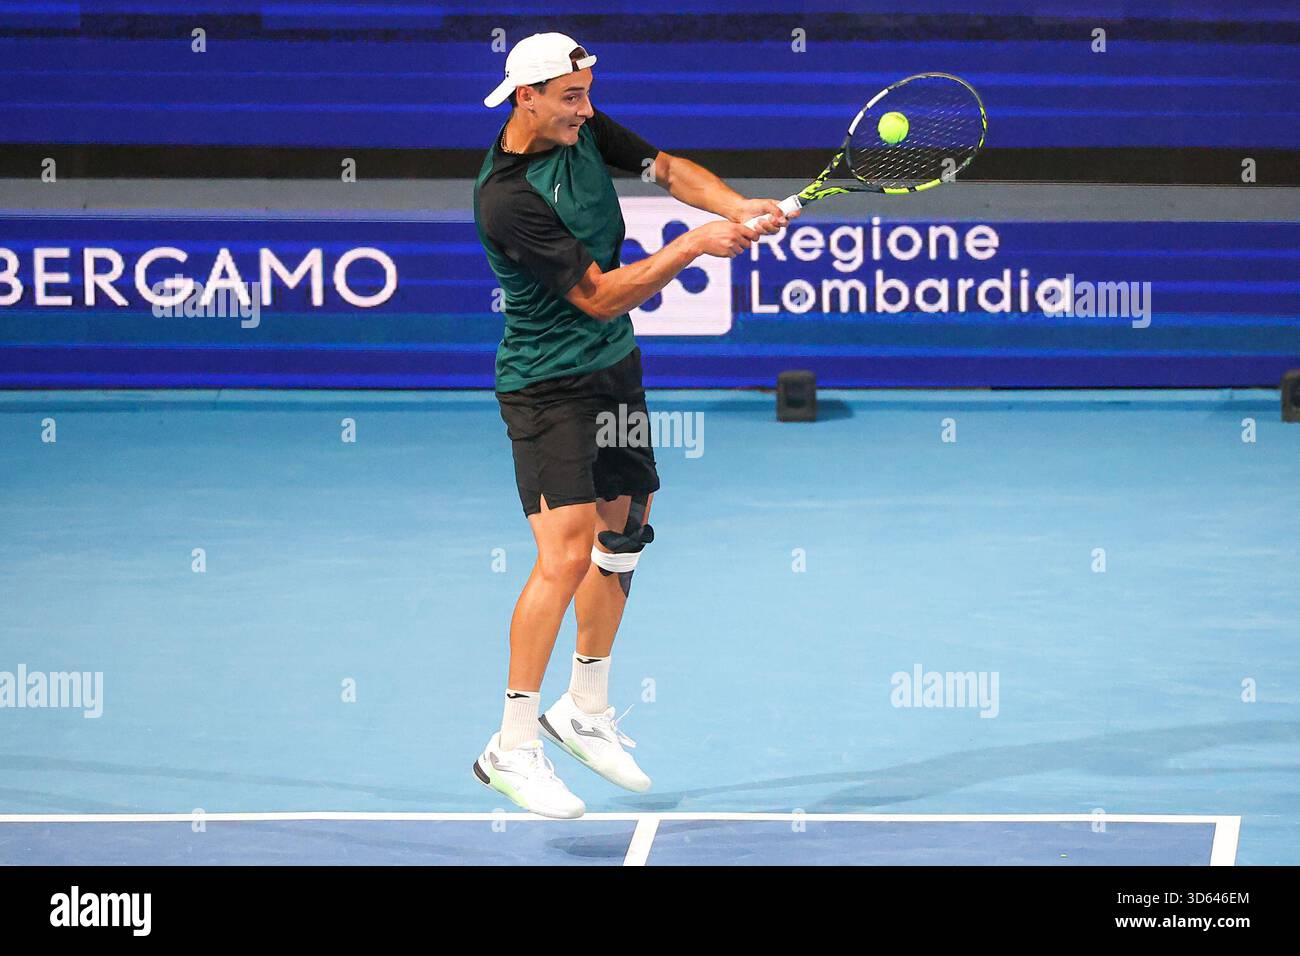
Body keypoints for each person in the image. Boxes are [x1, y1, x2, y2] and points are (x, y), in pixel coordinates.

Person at [472, 32, 796, 818]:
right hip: (548, 388)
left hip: (613, 375)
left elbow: (666, 168)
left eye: (587, 94)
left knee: (623, 534)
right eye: (572, 98)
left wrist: (733, 207)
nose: (587, 110)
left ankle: (582, 708)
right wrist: (691, 244)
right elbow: (597, 296)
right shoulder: (509, 196)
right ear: (529, 99)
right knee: (566, 549)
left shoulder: (579, 129)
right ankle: (511, 745)